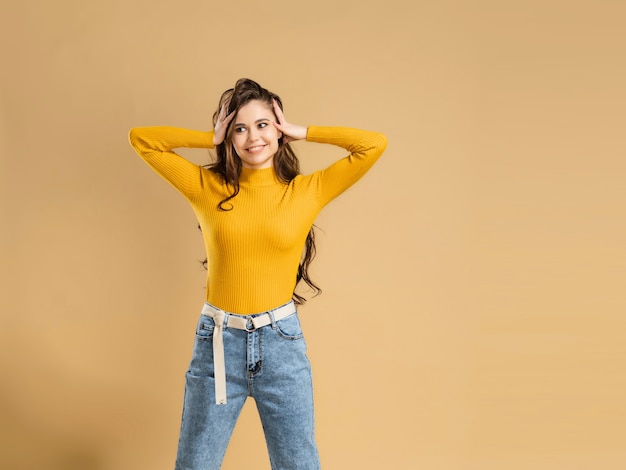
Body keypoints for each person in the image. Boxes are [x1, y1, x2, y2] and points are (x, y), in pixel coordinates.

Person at [128, 78, 387, 470]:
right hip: (217, 344)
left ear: (278, 131)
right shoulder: (207, 187)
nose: (253, 137)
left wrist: (303, 131)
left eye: (264, 124)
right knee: (195, 464)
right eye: (240, 128)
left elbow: (373, 145)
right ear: (229, 137)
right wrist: (208, 137)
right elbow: (142, 139)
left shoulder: (306, 191)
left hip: (281, 345)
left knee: (298, 463)